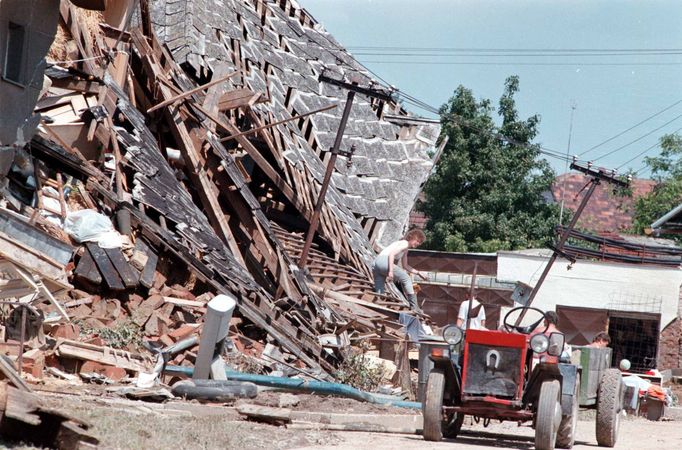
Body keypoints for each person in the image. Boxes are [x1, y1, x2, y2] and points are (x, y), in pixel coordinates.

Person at [372, 229, 427, 311]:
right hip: (384, 261)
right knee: (406, 278)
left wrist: (418, 273)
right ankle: (414, 307)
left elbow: (405, 266)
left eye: (419, 243)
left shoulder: (405, 249)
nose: (418, 244)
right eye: (417, 241)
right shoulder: (404, 243)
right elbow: (391, 254)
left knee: (380, 292)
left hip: (376, 264)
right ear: (412, 237)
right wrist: (390, 271)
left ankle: (377, 308)